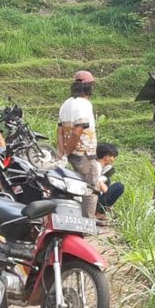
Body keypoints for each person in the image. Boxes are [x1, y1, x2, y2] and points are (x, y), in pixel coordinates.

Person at [57, 70, 99, 218]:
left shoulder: (66, 104)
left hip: (72, 154)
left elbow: (60, 131)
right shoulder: (84, 105)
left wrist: (63, 153)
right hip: (84, 154)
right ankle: (87, 224)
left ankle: (76, 220)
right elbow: (77, 132)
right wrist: (67, 152)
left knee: (76, 187)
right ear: (89, 88)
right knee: (91, 189)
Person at [95, 143, 124, 221]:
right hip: (92, 198)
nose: (113, 160)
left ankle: (101, 210)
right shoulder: (97, 167)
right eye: (113, 157)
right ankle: (99, 212)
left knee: (107, 180)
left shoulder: (96, 165)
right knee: (119, 186)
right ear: (106, 157)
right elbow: (103, 189)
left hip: (94, 197)